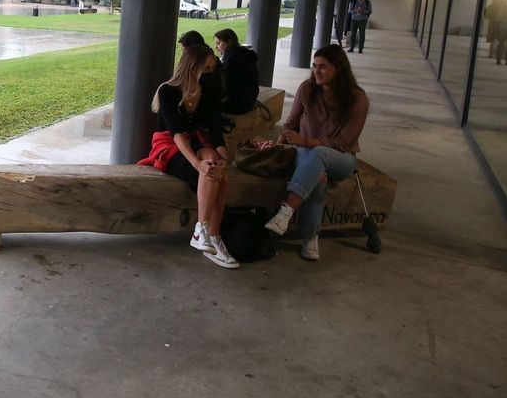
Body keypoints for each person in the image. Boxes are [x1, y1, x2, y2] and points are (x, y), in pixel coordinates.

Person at [264, 44, 369, 261]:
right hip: (306, 155)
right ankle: (310, 239)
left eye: (323, 67)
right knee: (318, 178)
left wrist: (308, 141)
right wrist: (278, 143)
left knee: (319, 154)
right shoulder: (307, 89)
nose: (316, 72)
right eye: (314, 66)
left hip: (341, 158)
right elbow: (290, 124)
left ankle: (286, 211)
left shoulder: (357, 98)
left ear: (338, 69)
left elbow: (345, 141)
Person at [139, 44, 238, 268]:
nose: (211, 73)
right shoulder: (168, 91)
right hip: (170, 144)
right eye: (207, 68)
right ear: (192, 67)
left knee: (217, 168)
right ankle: (207, 233)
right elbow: (175, 133)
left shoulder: (209, 90)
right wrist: (197, 163)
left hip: (197, 140)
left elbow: (215, 130)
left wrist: (223, 158)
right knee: (210, 170)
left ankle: (209, 237)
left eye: (213, 68)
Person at [212, 28, 259, 114]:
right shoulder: (242, 54)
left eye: (218, 43)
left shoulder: (233, 59)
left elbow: (226, 85)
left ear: (229, 42)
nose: (216, 47)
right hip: (249, 101)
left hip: (239, 105)